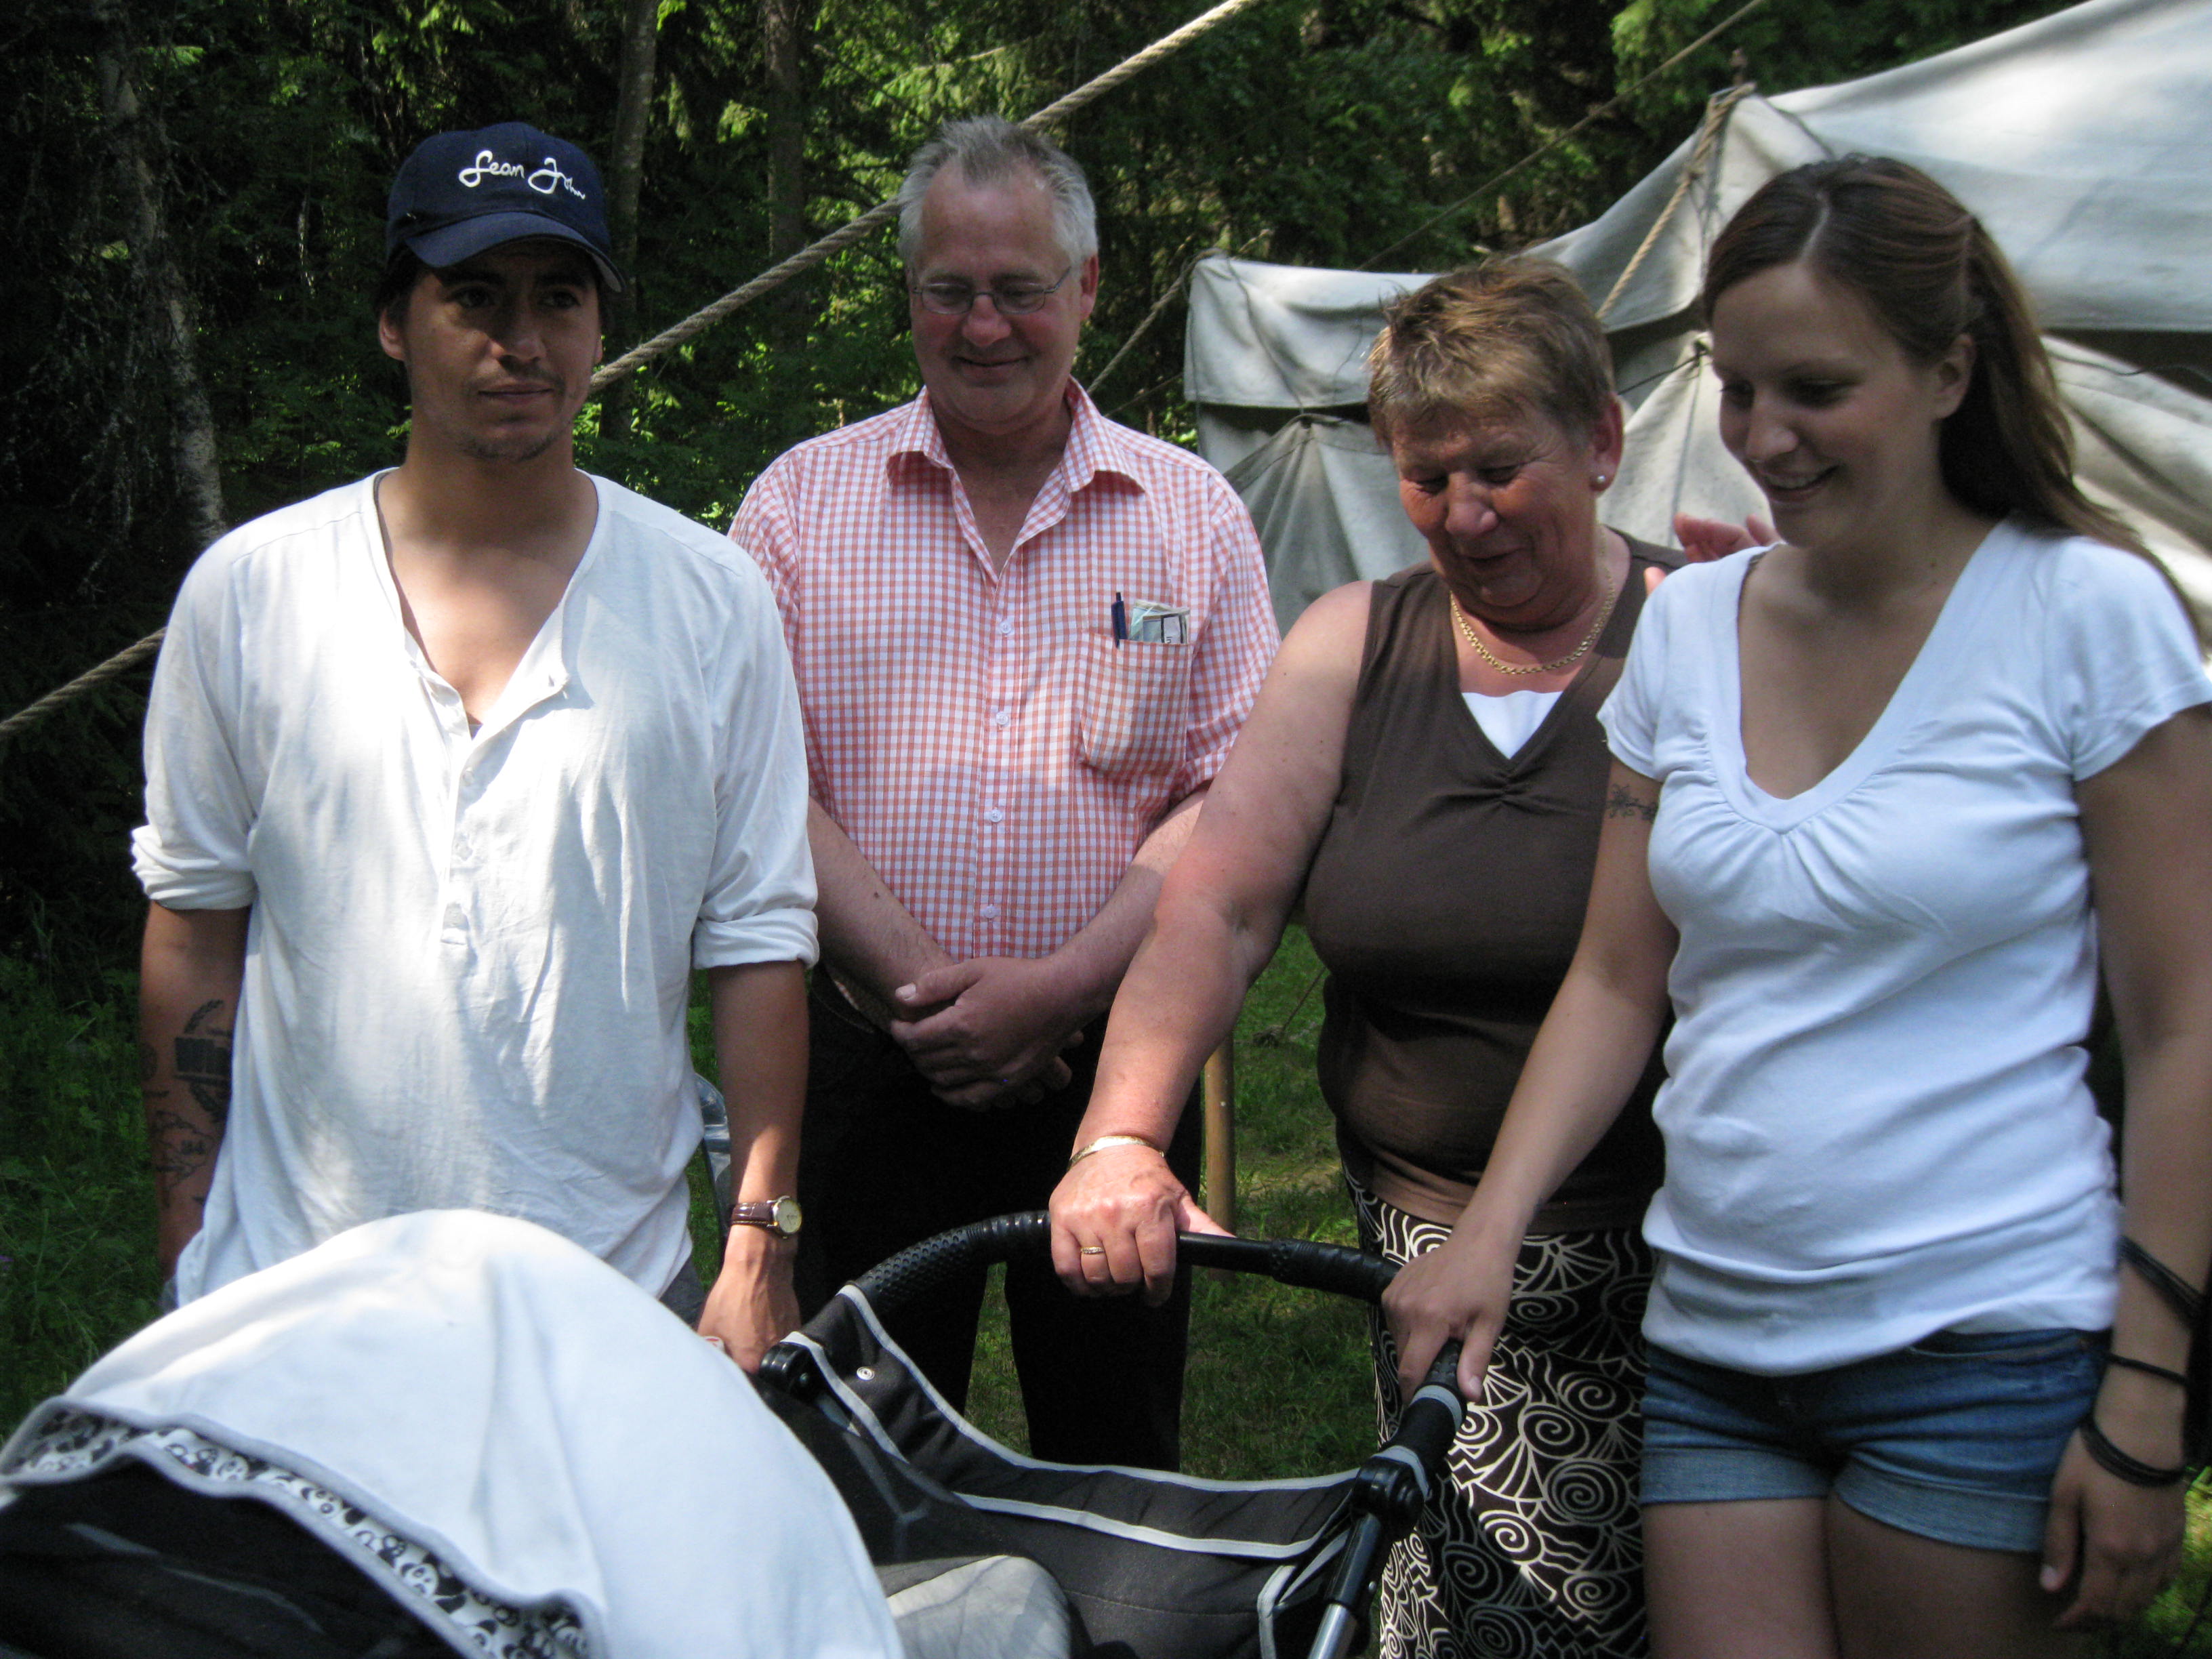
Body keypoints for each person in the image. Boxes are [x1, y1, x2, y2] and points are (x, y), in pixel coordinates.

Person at [1383, 156, 2212, 1658]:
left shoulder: (2088, 614)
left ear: (1951, 371)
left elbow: (2185, 1026)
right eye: (1741, 390)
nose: (1766, 438)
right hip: (1716, 1346)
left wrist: (2150, 1388)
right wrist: (1488, 1229)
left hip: (1984, 1342)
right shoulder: (1687, 629)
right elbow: (1617, 978)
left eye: (1818, 390)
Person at [1051, 258, 1679, 1656]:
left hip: (1690, 1255)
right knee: (1460, 1593)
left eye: (1500, 469)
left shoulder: (1709, 628)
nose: (1464, 513)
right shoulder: (1354, 645)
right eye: (1426, 477)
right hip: (1431, 1259)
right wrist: (1120, 1134)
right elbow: (1218, 910)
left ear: (1602, 441)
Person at [132, 121, 817, 1370]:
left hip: (615, 1292)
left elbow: (759, 937)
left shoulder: (711, 600)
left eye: (559, 298)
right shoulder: (252, 594)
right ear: (395, 322)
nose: (522, 339)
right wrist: (190, 1238)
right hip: (297, 1285)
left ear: (600, 328)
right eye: (475, 296)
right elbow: (194, 924)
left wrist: (756, 1245)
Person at [729, 114, 1276, 1469]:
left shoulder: (1191, 515)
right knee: (849, 1455)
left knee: (1114, 1453)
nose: (984, 327)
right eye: (950, 290)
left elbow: (1233, 794)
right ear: (908, 293)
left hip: (1113, 1074)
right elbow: (752, 779)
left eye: (1019, 289)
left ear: (1086, 287)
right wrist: (930, 994)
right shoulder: (799, 507)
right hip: (864, 1062)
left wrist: (1062, 990)